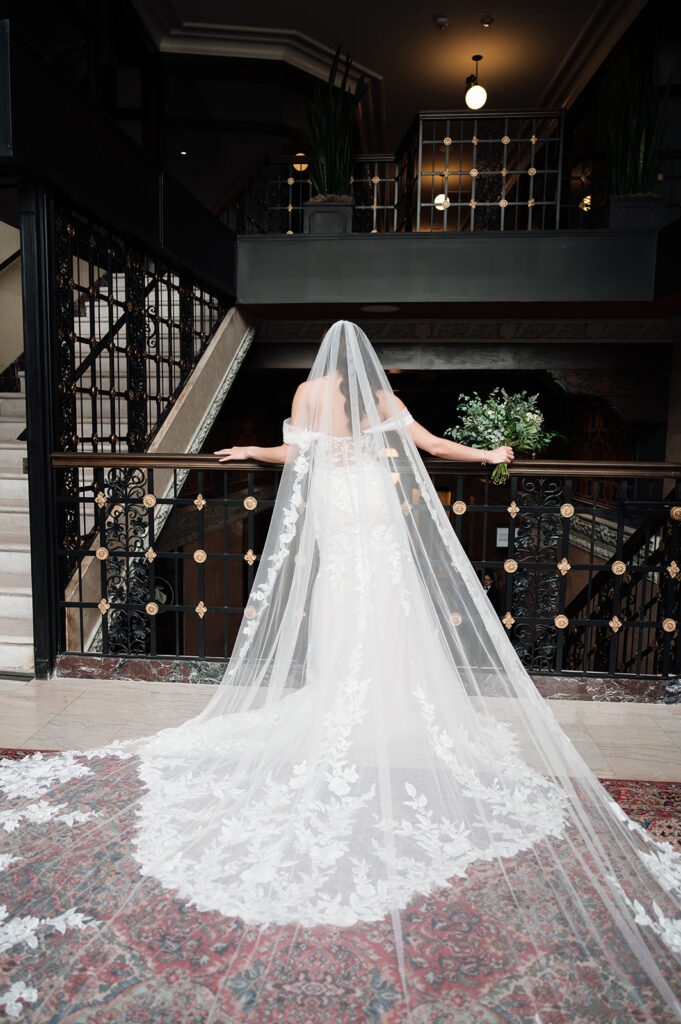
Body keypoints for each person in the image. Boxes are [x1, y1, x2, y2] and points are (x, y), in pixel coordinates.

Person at [1, 321, 680, 1023]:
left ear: (322, 363)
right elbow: (433, 446)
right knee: (388, 605)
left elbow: (293, 455)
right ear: (365, 364)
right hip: (374, 517)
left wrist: (248, 452)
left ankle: (338, 700)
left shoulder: (305, 391)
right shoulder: (379, 401)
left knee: (338, 598)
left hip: (334, 513)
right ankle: (384, 708)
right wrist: (489, 454)